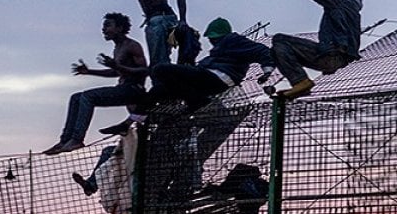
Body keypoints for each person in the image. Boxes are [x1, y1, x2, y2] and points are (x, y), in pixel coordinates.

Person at [99, 17, 275, 135]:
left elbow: (263, 51)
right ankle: (129, 122)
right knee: (160, 88)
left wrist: (267, 72)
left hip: (217, 78)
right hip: (206, 78)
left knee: (161, 69)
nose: (212, 41)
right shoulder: (214, 54)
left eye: (213, 38)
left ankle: (196, 101)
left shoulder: (233, 40)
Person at [43, 13, 148, 155]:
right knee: (76, 97)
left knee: (88, 97)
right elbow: (116, 72)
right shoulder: (117, 48)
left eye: (107, 25)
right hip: (122, 88)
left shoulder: (132, 46)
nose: (103, 29)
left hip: (134, 90)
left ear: (120, 28)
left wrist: (117, 66)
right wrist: (89, 71)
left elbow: (144, 70)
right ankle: (65, 140)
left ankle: (77, 139)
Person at [272, 0, 363, 99]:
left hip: (330, 55)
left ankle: (300, 81)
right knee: (275, 51)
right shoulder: (352, 10)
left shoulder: (338, 1)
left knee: (279, 40)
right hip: (338, 59)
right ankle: (301, 89)